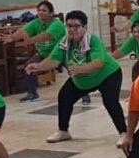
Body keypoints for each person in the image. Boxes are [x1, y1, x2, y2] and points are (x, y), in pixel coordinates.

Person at [28, 10, 128, 147]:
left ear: (85, 27)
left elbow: (98, 63)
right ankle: (63, 131)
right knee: (64, 96)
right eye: (69, 26)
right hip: (82, 78)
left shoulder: (93, 40)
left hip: (108, 75)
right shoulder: (64, 42)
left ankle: (124, 133)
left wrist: (80, 69)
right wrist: (38, 66)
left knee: (110, 102)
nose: (72, 29)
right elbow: (53, 60)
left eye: (76, 26)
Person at [3, 0, 66, 103]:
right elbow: (23, 31)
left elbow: (47, 35)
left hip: (61, 53)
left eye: (44, 11)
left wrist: (31, 40)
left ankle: (84, 93)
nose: (40, 12)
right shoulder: (36, 23)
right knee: (29, 66)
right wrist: (12, 37)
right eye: (39, 10)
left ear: (51, 13)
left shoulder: (57, 24)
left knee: (73, 69)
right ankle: (32, 94)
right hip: (44, 53)